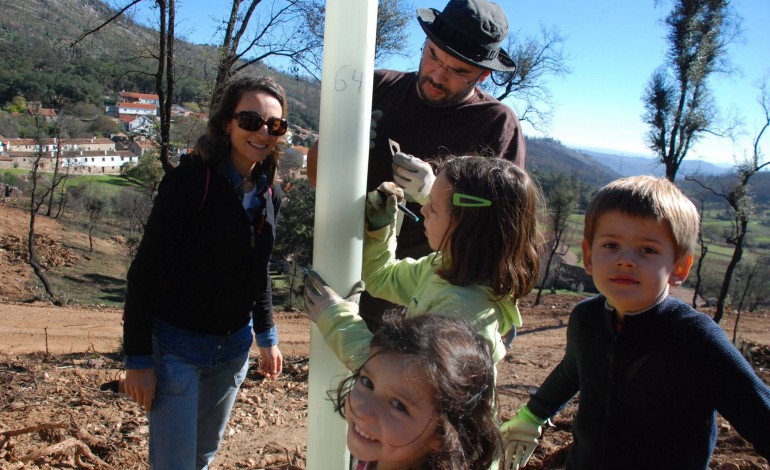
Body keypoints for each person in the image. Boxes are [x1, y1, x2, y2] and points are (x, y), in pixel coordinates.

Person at [501, 176, 770, 470]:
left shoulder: (695, 337)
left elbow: (758, 412)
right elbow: (572, 371)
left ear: (679, 267)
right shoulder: (586, 318)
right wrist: (532, 415)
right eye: (611, 245)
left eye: (648, 250)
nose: (626, 260)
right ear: (588, 256)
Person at [308, 0, 527, 332]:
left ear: (483, 74)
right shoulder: (378, 88)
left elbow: (499, 231)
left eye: (459, 71)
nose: (438, 75)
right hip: (344, 279)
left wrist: (434, 192)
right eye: (433, 56)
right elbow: (315, 179)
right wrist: (337, 143)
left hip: (429, 301)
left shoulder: (496, 124)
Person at [122, 75, 287, 469]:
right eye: (250, 120)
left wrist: (266, 336)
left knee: (200, 458)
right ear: (227, 123)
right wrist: (138, 360)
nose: (262, 132)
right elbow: (145, 271)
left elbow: (258, 268)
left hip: (232, 352)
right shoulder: (191, 182)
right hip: (177, 350)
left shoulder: (269, 190)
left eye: (274, 125)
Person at [305, 156, 541, 371]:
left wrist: (336, 320)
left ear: (467, 228)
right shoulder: (446, 266)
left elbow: (398, 377)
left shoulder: (463, 315)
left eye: (434, 207)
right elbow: (382, 278)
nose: (424, 209)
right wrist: (381, 228)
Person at [329, 314, 501, 470]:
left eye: (398, 405)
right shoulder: (378, 460)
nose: (364, 411)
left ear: (443, 435)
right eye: (368, 383)